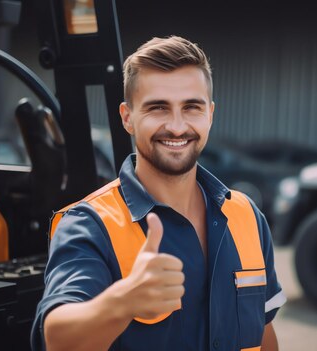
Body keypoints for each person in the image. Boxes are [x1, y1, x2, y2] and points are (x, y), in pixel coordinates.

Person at [31, 36, 286, 351]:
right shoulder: (89, 224)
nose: (177, 127)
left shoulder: (246, 215)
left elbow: (264, 334)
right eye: (158, 108)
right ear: (128, 117)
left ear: (210, 114)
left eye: (192, 107)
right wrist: (123, 301)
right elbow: (56, 339)